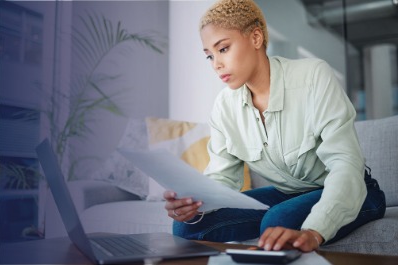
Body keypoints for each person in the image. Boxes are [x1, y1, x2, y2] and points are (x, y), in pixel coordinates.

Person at [164, 0, 386, 252]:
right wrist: (193, 205)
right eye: (209, 55)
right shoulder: (224, 105)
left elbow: (346, 164)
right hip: (289, 195)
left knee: (277, 221)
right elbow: (222, 177)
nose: (216, 63)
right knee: (187, 227)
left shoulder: (313, 76)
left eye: (223, 48)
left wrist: (315, 230)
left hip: (353, 189)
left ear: (256, 37)